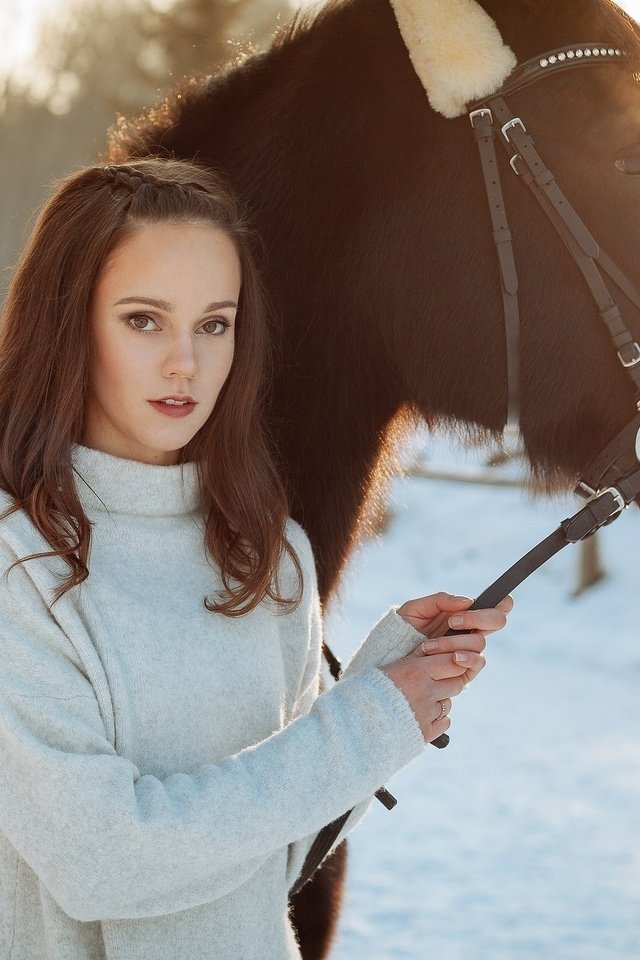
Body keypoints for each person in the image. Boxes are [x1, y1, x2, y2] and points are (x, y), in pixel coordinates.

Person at [0, 157, 513, 960]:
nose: (187, 363)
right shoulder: (15, 563)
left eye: (214, 323)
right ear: (68, 321)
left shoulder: (269, 558)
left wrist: (386, 686)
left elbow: (277, 848)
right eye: (143, 320)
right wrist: (363, 726)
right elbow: (101, 862)